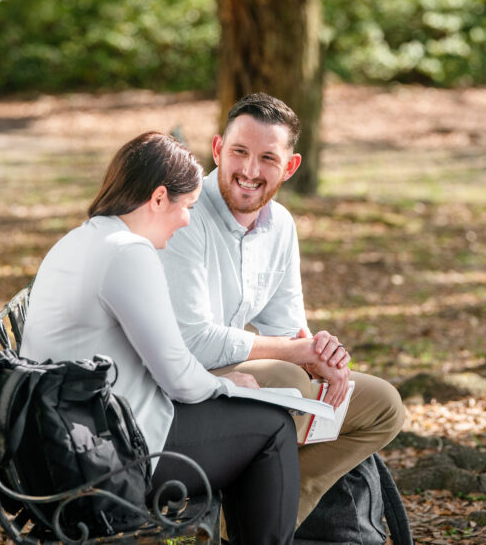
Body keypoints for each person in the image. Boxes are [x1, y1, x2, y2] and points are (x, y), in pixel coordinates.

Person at [20, 131, 299, 545]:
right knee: (273, 429)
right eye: (186, 206)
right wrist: (227, 384)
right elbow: (179, 377)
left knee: (250, 423)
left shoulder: (84, 237)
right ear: (157, 198)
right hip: (104, 455)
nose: (188, 219)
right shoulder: (128, 253)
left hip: (62, 438)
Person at [159, 93, 406, 525]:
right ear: (217, 149)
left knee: (383, 405)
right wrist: (297, 356)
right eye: (239, 152)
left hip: (242, 377)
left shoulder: (281, 225)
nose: (250, 171)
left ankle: (263, 517)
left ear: (290, 167)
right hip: (182, 381)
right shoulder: (187, 216)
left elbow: (289, 328)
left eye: (267, 158)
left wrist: (322, 355)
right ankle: (216, 512)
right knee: (290, 380)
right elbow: (193, 342)